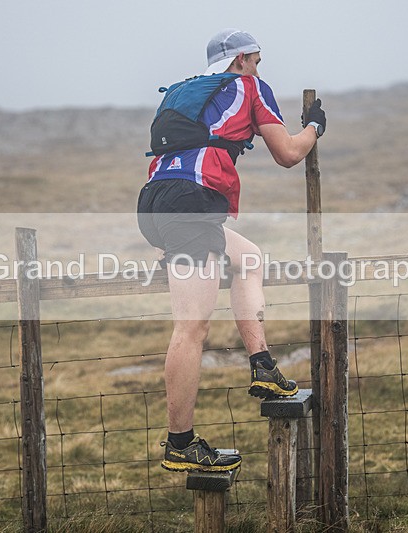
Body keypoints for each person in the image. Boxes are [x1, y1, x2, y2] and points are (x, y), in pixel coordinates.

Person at [137, 28, 326, 472]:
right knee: (191, 329)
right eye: (256, 60)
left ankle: (262, 365)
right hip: (192, 204)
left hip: (156, 200)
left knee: (249, 259)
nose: (260, 68)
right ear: (241, 60)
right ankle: (180, 444)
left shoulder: (183, 90)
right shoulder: (250, 86)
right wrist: (315, 126)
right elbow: (288, 153)